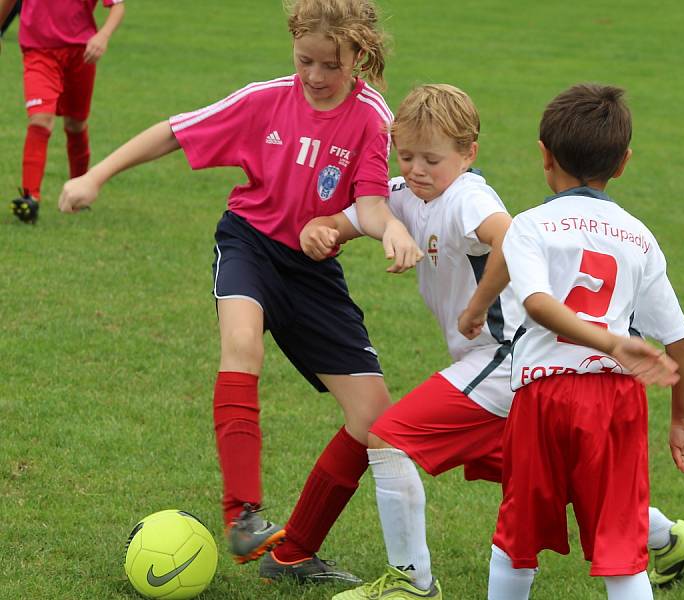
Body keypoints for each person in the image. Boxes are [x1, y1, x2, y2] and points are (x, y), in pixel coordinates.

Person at [59, 0, 423, 584]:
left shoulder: (372, 116)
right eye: (305, 60)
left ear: (358, 55)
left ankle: (293, 554)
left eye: (330, 65)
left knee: (375, 419)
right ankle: (243, 512)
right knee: (242, 347)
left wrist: (395, 228)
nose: (314, 76)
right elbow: (174, 132)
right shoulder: (266, 99)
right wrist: (95, 175)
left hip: (313, 271)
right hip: (249, 245)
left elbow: (373, 204)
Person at [298, 84, 684, 599]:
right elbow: (355, 217)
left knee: (390, 436)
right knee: (553, 480)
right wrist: (323, 228)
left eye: (432, 159)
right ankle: (665, 537)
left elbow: (506, 234)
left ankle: (411, 582)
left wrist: (476, 307)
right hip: (581, 383)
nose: (418, 169)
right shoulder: (404, 194)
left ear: (470, 154)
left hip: (510, 358)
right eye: (406, 156)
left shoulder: (470, 197)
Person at [482, 83, 684, 600]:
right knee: (621, 547)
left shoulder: (530, 226)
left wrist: (607, 343)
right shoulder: (638, 235)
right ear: (624, 162)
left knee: (516, 539)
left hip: (542, 395)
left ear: (544, 154)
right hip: (615, 404)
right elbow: (681, 344)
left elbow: (538, 305)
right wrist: (683, 416)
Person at [1, 0, 125, 224]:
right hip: (38, 51)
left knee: (75, 124)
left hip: (81, 53)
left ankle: (78, 194)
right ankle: (30, 198)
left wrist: (103, 36)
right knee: (40, 120)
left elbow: (118, 6)